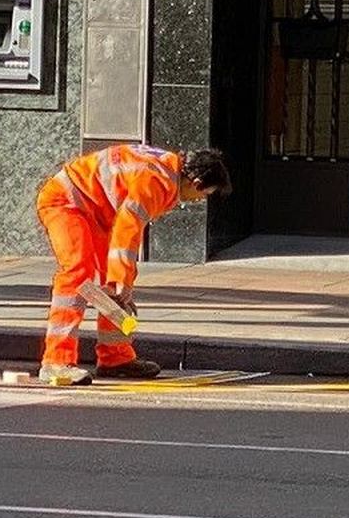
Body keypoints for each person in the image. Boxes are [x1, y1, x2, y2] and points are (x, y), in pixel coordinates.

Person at [35, 144, 232, 386]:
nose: (200, 200)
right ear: (197, 182)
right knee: (78, 271)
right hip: (66, 202)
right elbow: (128, 229)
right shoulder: (157, 181)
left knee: (117, 281)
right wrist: (121, 280)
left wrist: (121, 279)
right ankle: (56, 361)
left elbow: (124, 229)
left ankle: (115, 358)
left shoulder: (167, 169)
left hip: (92, 208)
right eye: (205, 194)